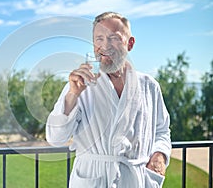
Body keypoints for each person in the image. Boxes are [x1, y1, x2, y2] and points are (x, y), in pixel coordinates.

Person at [46, 12, 171, 188]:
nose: (105, 46)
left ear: (130, 43)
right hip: (93, 179)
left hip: (136, 180)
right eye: (99, 39)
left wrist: (160, 156)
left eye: (114, 38)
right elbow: (55, 138)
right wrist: (73, 94)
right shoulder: (80, 85)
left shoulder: (149, 85)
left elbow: (162, 130)